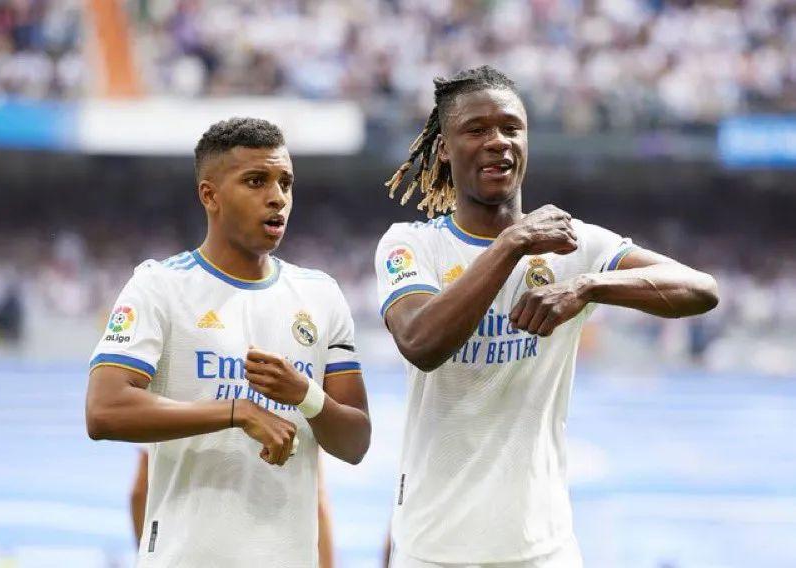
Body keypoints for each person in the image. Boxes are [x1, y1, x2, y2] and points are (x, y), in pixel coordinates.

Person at [375, 65, 718, 568]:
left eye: (511, 128)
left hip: (543, 549)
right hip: (432, 549)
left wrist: (587, 285)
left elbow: (701, 290)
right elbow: (420, 342)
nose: (498, 141)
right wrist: (512, 243)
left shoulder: (570, 244)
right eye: (477, 129)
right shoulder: (411, 245)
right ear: (444, 148)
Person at [86, 117, 371, 567]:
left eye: (285, 183)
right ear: (210, 195)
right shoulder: (159, 286)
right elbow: (104, 411)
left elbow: (355, 443)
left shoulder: (320, 294)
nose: (277, 197)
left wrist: (306, 395)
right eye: (256, 181)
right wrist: (238, 412)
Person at [129, 449, 337, 568]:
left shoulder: (178, 399)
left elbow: (139, 493)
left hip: (186, 554)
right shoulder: (294, 398)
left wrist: (152, 555)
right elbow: (317, 501)